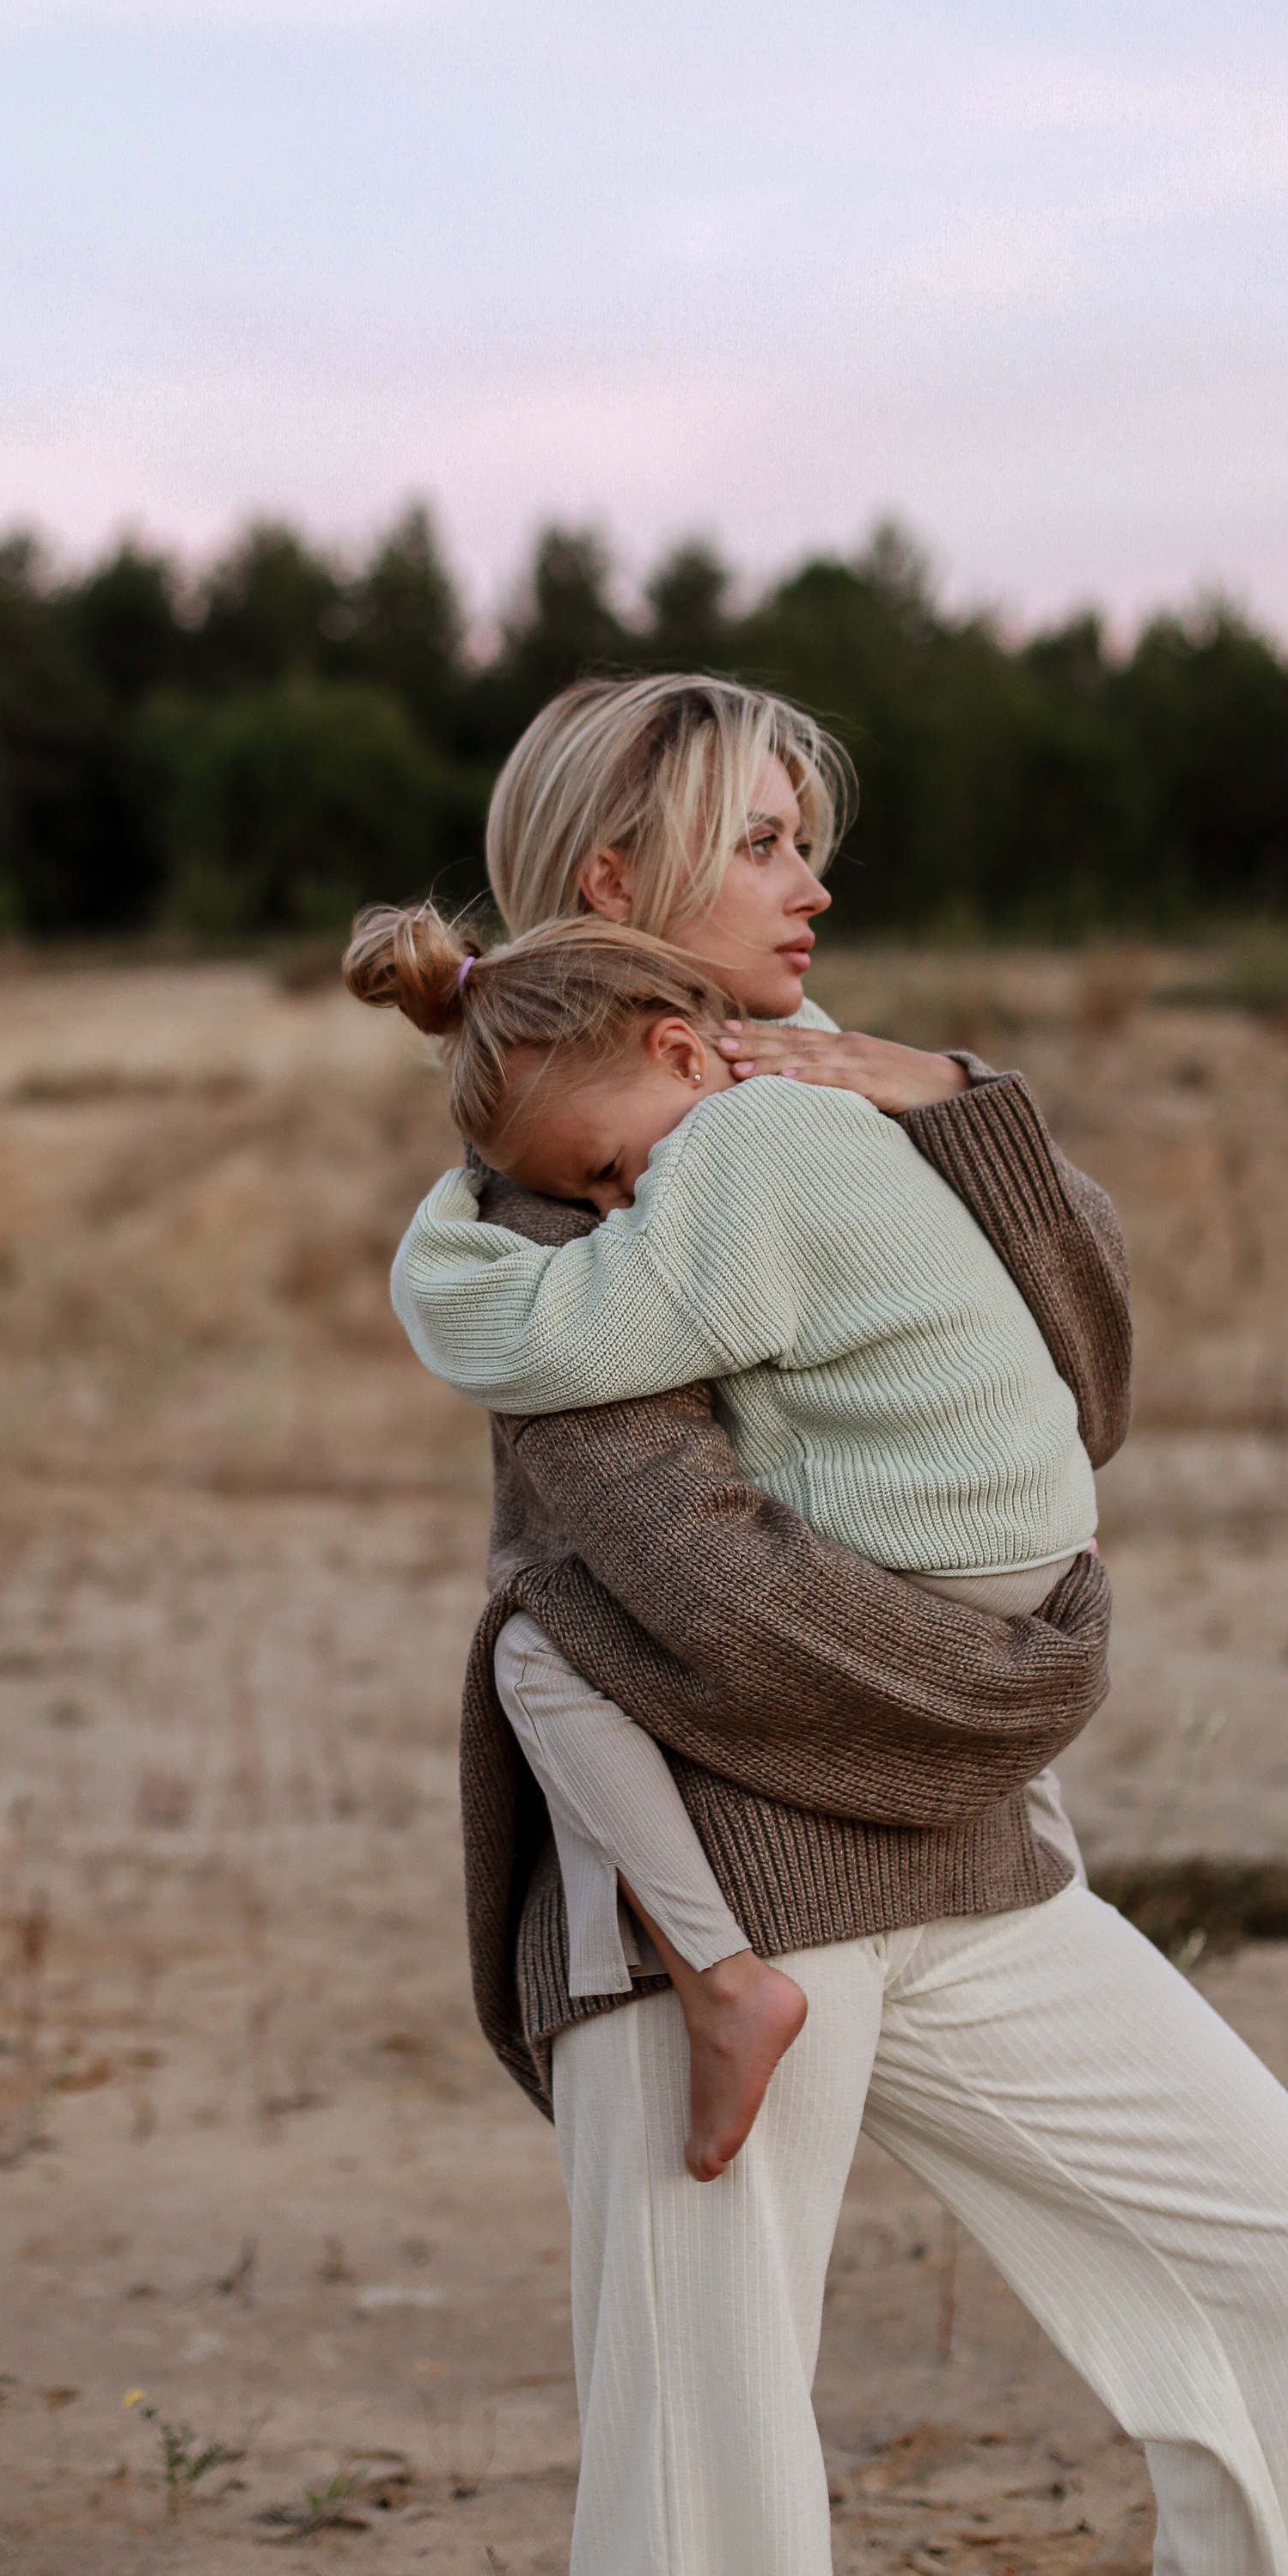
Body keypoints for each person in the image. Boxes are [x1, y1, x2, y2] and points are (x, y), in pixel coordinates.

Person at [363, 672, 1288, 2576]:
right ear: (619, 882)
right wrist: (1018, 1687)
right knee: (703, 2483)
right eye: (763, 842)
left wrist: (953, 1095)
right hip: (713, 1916)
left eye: (805, 837)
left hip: (955, 1855)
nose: (815, 878)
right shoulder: (552, 1193)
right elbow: (699, 1594)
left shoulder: (821, 1119)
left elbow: (1083, 1398)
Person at [348, 902, 1100, 2183]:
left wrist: (442, 1236)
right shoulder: (825, 1122)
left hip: (936, 1564)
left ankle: (722, 1979)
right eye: (585, 1193)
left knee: (540, 1650)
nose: (617, 1198)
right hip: (1015, 1540)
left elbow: (547, 1337)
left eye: (601, 1168)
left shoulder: (743, 1156)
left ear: (685, 1055)